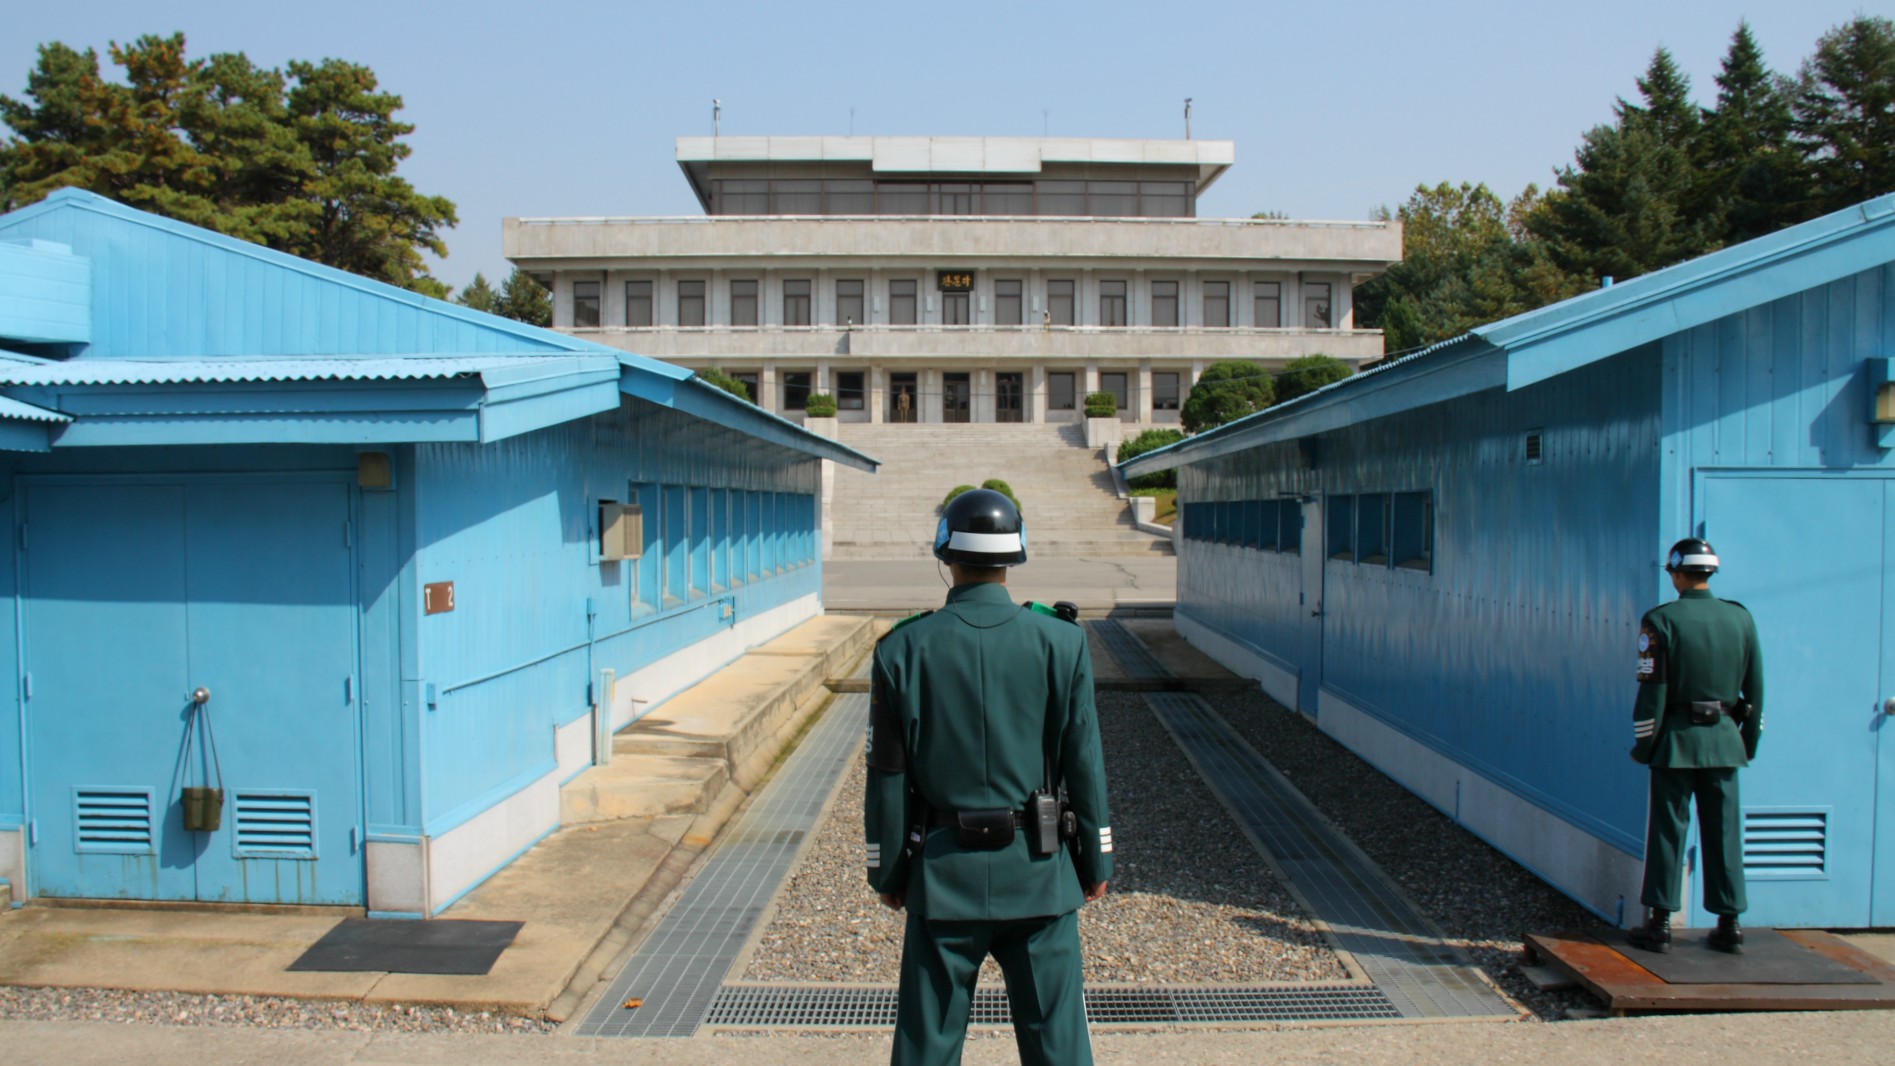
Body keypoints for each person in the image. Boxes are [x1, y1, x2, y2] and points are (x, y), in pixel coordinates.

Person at [865, 488, 1113, 1066]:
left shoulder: (903, 649)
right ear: (1015, 555)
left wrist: (890, 871)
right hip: (1040, 874)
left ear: (944, 553)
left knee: (927, 1046)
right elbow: (1085, 762)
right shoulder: (1063, 642)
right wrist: (1096, 863)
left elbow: (887, 778)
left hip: (942, 876)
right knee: (1058, 1046)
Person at [1627, 537, 1764, 955]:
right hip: (1724, 740)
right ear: (1710, 573)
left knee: (1669, 828)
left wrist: (1645, 744)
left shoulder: (1661, 621)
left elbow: (1653, 692)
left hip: (1675, 741)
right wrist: (1747, 742)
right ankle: (1729, 921)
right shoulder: (1740, 619)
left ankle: (1661, 921)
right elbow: (1755, 688)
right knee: (1723, 829)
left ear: (1679, 573)